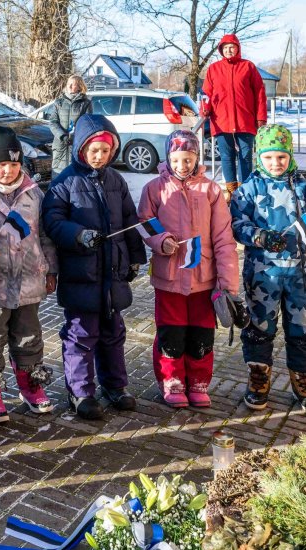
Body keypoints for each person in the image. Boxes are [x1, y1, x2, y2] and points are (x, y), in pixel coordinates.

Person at [42, 114, 147, 420]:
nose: (99, 157)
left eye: (105, 151)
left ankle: (115, 386)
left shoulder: (116, 180)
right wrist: (79, 235)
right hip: (81, 274)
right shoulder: (65, 182)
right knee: (81, 335)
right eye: (94, 151)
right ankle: (80, 391)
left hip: (112, 274)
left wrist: (135, 258)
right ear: (81, 150)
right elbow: (53, 221)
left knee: (114, 332)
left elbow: (129, 220)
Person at [230, 124, 306, 416]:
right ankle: (258, 378)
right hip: (263, 274)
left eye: (281, 158)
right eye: (269, 158)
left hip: (300, 275)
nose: (276, 164)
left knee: (302, 328)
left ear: (290, 157)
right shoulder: (248, 189)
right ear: (259, 158)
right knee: (259, 328)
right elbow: (236, 223)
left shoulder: (304, 189)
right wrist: (259, 236)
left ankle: (303, 381)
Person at [137, 130, 238, 408]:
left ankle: (198, 382)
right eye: (177, 159)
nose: (183, 165)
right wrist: (160, 241)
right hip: (169, 278)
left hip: (204, 279)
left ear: (197, 158)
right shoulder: (154, 188)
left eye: (189, 158)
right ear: (168, 157)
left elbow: (223, 237)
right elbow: (145, 221)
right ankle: (172, 381)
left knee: (202, 334)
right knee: (171, 332)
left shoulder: (211, 190)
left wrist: (227, 280)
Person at [0, 126, 58, 424]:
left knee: (29, 335)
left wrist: (51, 267)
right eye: (2, 164)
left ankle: (30, 384)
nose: (8, 171)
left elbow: (45, 234)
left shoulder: (34, 194)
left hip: (30, 278)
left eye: (14, 164)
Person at [201, 34, 268, 202]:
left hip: (245, 119)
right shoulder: (214, 69)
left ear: (238, 48)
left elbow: (260, 93)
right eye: (225, 48)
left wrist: (261, 117)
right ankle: (231, 190)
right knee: (226, 156)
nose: (229, 50)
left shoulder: (248, 67)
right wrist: (205, 109)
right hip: (221, 120)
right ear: (221, 50)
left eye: (232, 47)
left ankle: (246, 189)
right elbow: (207, 94)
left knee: (245, 156)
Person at [45, 74, 93, 177]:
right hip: (60, 146)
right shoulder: (59, 102)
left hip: (76, 146)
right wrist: (62, 135)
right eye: (69, 84)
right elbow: (53, 122)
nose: (70, 87)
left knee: (75, 179)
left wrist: (76, 137)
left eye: (74, 84)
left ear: (80, 86)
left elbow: (88, 125)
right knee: (58, 179)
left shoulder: (85, 103)